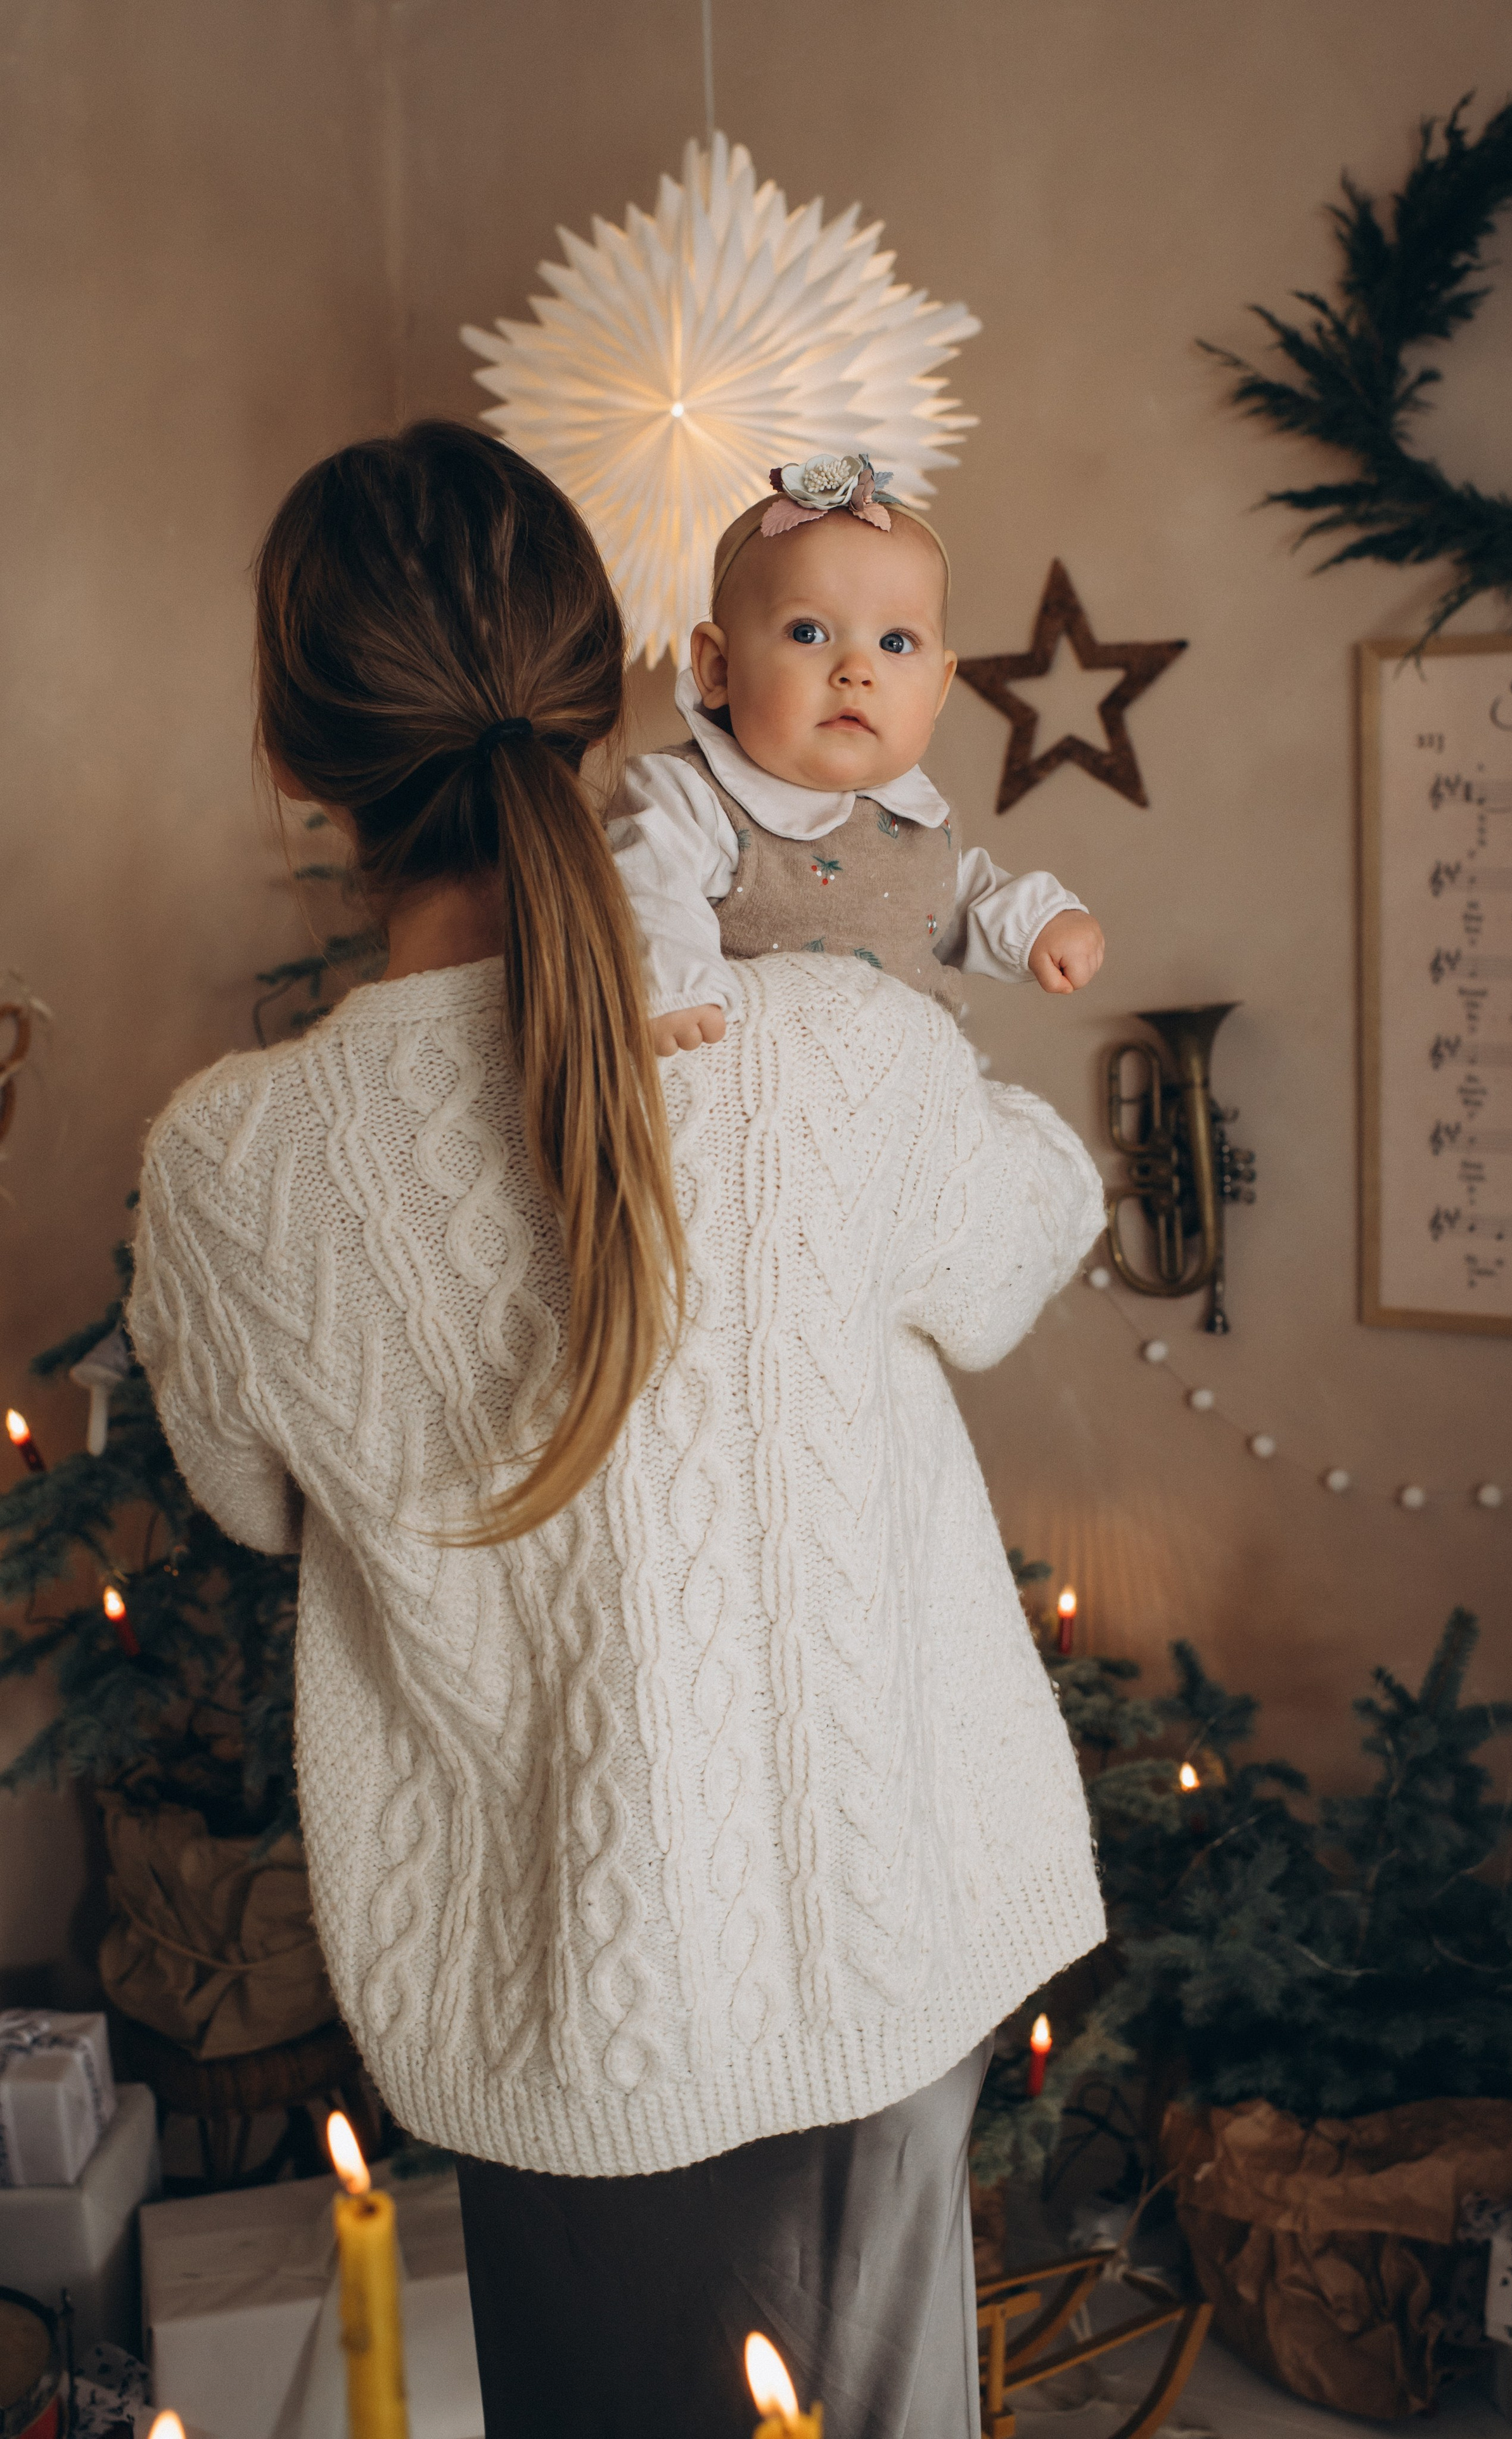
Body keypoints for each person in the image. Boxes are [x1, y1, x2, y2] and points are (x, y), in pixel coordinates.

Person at [125, 420, 1107, 2439]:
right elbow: (1032, 1234)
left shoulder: (233, 1156)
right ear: (621, 689)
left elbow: (241, 1496)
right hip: (865, 1949)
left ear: (296, 755)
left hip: (556, 1991)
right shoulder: (835, 1042)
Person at [608, 449, 1105, 1054]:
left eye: (895, 642)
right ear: (719, 666)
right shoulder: (689, 799)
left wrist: (1036, 924)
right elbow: (643, 886)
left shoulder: (917, 817)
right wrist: (672, 988)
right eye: (808, 633)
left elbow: (955, 895)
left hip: (910, 1093)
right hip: (758, 1082)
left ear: (941, 688)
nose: (856, 671)